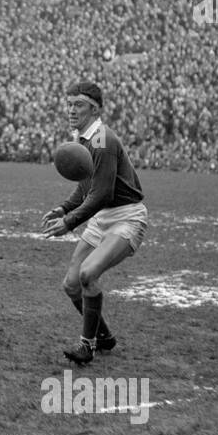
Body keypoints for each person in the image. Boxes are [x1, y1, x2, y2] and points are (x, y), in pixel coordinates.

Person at [41, 80, 148, 366]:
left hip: (126, 216)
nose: (71, 110)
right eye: (69, 104)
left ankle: (87, 346)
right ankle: (104, 337)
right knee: (71, 285)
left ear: (96, 108)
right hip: (102, 217)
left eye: (79, 105)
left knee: (88, 274)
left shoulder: (102, 138)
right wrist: (65, 207)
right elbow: (86, 187)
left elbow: (102, 193)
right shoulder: (84, 139)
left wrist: (69, 221)